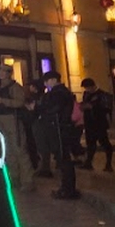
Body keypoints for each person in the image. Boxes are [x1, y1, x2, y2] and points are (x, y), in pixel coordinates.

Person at [0, 64, 33, 191]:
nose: (1, 73)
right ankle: (14, 178)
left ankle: (28, 181)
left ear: (9, 73)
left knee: (19, 149)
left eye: (4, 71)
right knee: (7, 150)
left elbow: (20, 102)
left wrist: (4, 101)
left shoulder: (15, 87)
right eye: (0, 70)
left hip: (12, 119)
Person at [39, 71, 80, 200]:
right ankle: (67, 188)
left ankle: (68, 189)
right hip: (60, 127)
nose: (46, 84)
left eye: (47, 81)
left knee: (64, 159)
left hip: (60, 128)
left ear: (53, 80)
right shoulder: (61, 92)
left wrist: (42, 107)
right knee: (62, 159)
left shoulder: (59, 93)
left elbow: (53, 108)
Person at [79, 78, 115, 172]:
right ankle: (88, 162)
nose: (86, 90)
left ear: (92, 86)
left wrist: (92, 107)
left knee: (105, 143)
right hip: (89, 123)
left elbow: (106, 108)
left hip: (99, 123)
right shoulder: (86, 94)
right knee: (90, 143)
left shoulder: (102, 94)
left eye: (87, 88)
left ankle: (108, 164)